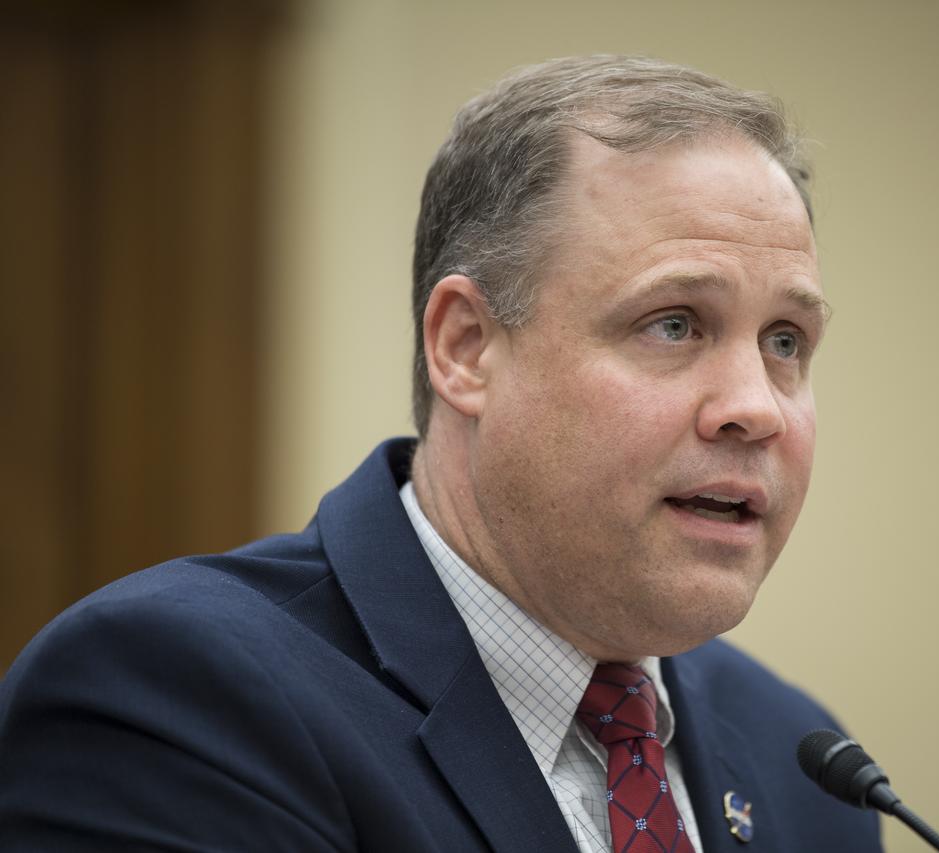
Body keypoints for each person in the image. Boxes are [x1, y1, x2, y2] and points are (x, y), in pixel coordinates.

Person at [0, 56, 881, 852]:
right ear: (465, 346)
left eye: (786, 342)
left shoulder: (806, 768)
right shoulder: (178, 698)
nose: (754, 408)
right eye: (674, 323)